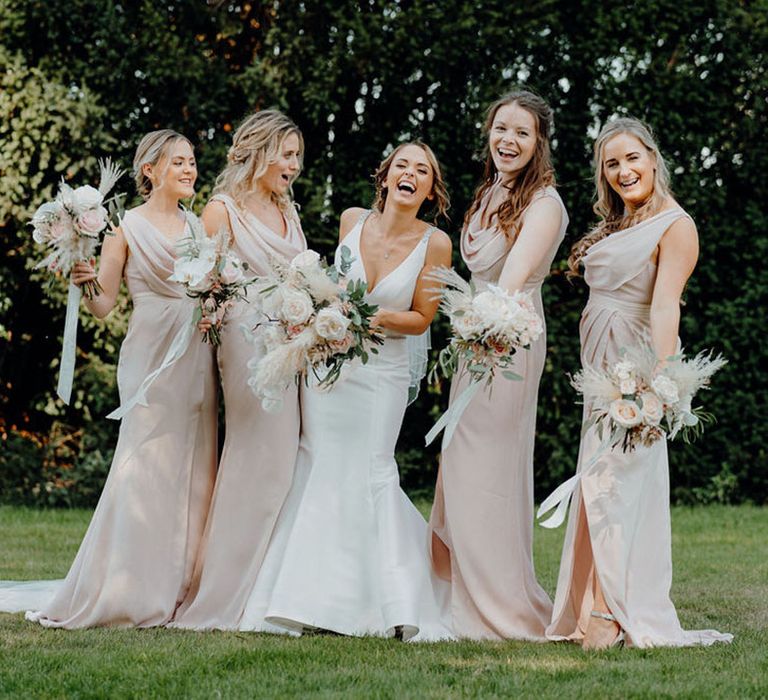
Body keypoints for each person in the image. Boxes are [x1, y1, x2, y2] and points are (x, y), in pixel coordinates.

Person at [0, 130, 218, 627]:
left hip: (194, 358)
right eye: (179, 162)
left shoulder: (199, 229)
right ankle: (126, 585)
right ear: (151, 170)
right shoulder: (126, 229)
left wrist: (213, 314)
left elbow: (209, 293)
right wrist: (82, 278)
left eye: (192, 162)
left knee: (191, 467)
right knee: (142, 465)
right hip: (148, 356)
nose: (190, 170)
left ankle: (179, 583)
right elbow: (102, 307)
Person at [238, 141, 454, 641]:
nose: (410, 174)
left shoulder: (436, 243)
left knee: (374, 468)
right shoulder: (351, 220)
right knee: (317, 462)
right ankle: (297, 599)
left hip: (383, 372)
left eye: (422, 170)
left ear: (429, 188)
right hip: (330, 365)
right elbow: (328, 288)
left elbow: (422, 319)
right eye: (402, 164)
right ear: (385, 176)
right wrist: (327, 318)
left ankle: (389, 602)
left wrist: (368, 317)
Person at [546, 117, 732, 649]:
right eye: (612, 164)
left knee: (618, 481)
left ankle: (609, 612)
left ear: (653, 158)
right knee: (598, 478)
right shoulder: (621, 223)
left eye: (631, 158)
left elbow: (666, 304)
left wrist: (661, 384)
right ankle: (592, 604)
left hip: (632, 368)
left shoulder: (676, 225)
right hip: (598, 361)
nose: (624, 171)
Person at [427, 90, 567, 640]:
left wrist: (482, 330)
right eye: (500, 129)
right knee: (460, 461)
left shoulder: (544, 204)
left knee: (487, 467)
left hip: (508, 340)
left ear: (538, 144)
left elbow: (510, 287)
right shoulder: (489, 192)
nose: (508, 141)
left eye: (521, 133)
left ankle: (496, 602)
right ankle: (458, 589)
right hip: (475, 340)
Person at [171, 111, 307, 630]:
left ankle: (266, 586)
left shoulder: (286, 208)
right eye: (286, 154)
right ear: (258, 151)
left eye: (297, 156)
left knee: (285, 461)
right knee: (261, 458)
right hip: (247, 346)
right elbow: (209, 289)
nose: (293, 165)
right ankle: (223, 593)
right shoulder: (219, 210)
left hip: (292, 344)